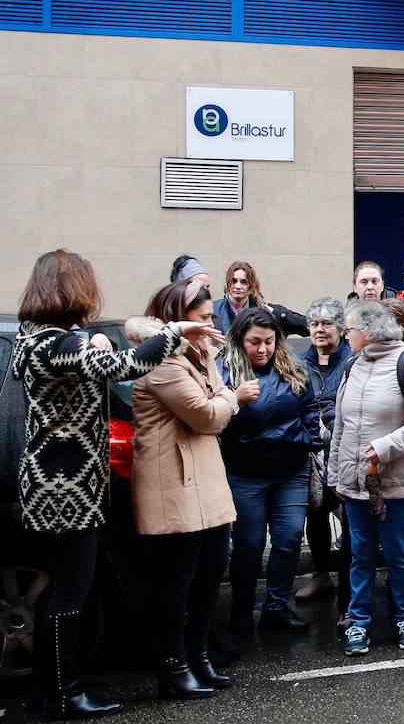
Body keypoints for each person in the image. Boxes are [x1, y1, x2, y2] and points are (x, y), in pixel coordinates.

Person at [12, 250, 220, 719]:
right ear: (73, 290)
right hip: (63, 486)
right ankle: (66, 694)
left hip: (54, 482)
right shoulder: (54, 344)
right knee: (72, 590)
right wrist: (175, 331)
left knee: (59, 590)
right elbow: (126, 366)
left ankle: (48, 691)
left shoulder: (36, 339)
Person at [127, 280, 245, 699]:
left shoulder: (195, 355)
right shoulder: (161, 361)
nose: (212, 325)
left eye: (213, 317)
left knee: (211, 574)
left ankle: (198, 658)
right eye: (203, 318)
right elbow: (206, 416)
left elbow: (212, 397)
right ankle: (173, 668)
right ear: (175, 320)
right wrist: (233, 397)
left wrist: (211, 367)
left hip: (204, 478)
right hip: (172, 482)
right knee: (177, 582)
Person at [330, 301, 404, 657]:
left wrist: (386, 446)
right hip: (355, 482)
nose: (345, 337)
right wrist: (336, 474)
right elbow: (341, 427)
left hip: (396, 481)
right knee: (359, 555)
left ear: (369, 331)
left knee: (397, 553)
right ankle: (359, 621)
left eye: (349, 330)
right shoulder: (351, 366)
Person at [218, 307, 320, 633]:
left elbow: (311, 408)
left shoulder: (293, 367)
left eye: (269, 341)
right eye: (254, 342)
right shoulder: (225, 371)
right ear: (239, 340)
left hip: (291, 470)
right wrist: (235, 399)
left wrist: (307, 438)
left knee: (289, 537)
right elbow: (213, 420)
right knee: (248, 545)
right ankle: (242, 609)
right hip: (244, 473)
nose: (262, 349)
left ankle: (276, 607)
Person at [295, 298, 354, 636]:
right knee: (314, 515)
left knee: (349, 523)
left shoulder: (353, 361)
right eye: (314, 324)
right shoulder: (299, 363)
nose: (319, 330)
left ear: (341, 330)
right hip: (312, 455)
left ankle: (348, 592)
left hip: (345, 453)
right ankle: (321, 576)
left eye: (327, 324)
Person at [212, 260, 309, 337]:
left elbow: (305, 325)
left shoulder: (265, 311)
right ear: (228, 283)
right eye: (234, 281)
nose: (238, 286)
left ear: (251, 286)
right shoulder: (213, 309)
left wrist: (278, 314)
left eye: (243, 282)